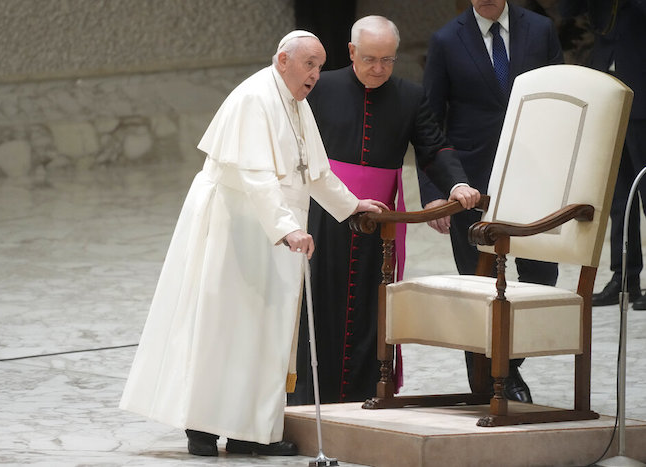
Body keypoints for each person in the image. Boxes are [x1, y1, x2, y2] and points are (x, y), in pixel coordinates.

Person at [119, 30, 390, 457]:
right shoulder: (254, 99)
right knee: (224, 326)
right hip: (236, 228)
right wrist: (286, 228)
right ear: (283, 60)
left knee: (264, 330)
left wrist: (352, 204)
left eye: (320, 66)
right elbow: (257, 176)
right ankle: (203, 431)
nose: (316, 75)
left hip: (268, 231)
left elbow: (313, 171)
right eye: (309, 65)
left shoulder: (295, 104)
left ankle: (249, 432)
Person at [288, 15, 482, 406]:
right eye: (370, 58)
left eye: (388, 60)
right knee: (319, 303)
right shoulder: (319, 88)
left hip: (382, 222)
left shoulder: (410, 96)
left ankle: (367, 393)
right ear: (351, 52)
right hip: (324, 213)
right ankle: (309, 399)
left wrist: (456, 183)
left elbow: (434, 147)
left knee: (371, 308)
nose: (379, 69)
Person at [417, 0, 564, 402]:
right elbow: (430, 119)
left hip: (536, 178)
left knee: (540, 278)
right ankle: (489, 383)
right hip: (470, 185)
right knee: (477, 284)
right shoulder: (447, 40)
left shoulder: (539, 29)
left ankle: (507, 364)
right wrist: (433, 192)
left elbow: (562, 100)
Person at [560, 0, 646, 309]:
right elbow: (568, 11)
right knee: (619, 200)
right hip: (609, 99)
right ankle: (624, 280)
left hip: (642, 102)